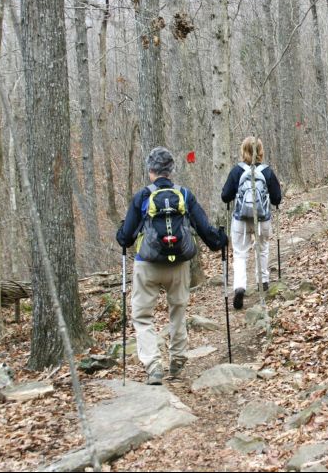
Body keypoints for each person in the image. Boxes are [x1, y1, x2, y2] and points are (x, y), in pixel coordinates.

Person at [117, 147, 227, 385]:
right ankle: (177, 360)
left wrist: (121, 233)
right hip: (179, 264)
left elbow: (125, 238)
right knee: (178, 310)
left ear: (151, 170)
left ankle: (153, 365)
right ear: (171, 170)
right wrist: (219, 241)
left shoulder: (142, 196)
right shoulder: (184, 195)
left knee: (142, 316)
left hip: (147, 264)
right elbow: (204, 229)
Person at [221, 137, 282, 310]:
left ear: (243, 151)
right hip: (262, 219)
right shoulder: (267, 172)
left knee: (240, 254)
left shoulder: (236, 171)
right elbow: (277, 198)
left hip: (240, 219)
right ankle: (263, 281)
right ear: (260, 151)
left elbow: (225, 196)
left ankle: (240, 286)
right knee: (262, 249)